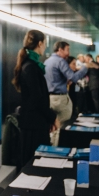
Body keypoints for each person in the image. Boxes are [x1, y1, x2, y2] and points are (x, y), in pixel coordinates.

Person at [12, 30, 58, 165]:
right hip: (33, 124)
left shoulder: (31, 65)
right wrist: (53, 118)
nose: (45, 47)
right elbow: (38, 98)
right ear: (40, 43)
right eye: (44, 44)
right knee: (34, 162)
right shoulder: (31, 67)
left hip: (36, 122)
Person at [44, 41, 88, 144]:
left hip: (49, 98)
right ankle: (56, 150)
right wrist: (85, 68)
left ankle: (50, 147)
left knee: (52, 125)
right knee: (61, 125)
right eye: (67, 50)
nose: (69, 53)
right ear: (60, 49)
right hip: (60, 99)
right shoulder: (60, 61)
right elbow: (73, 77)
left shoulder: (47, 61)